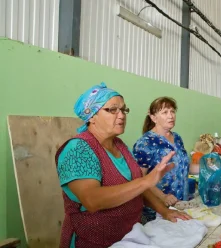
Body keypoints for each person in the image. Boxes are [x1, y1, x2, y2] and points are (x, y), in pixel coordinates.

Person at [55, 83, 190, 248]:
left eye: (123, 110)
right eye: (112, 110)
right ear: (91, 115)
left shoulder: (120, 145)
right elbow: (92, 199)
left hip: (129, 238)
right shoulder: (78, 149)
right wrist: (146, 180)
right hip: (93, 241)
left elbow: (139, 188)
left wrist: (165, 211)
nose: (121, 116)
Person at [133, 97, 198, 223]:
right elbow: (139, 179)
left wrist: (209, 167)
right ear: (153, 118)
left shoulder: (177, 138)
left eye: (172, 111)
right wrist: (162, 197)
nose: (171, 116)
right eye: (165, 112)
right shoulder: (145, 143)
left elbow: (183, 166)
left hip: (179, 205)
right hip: (156, 211)